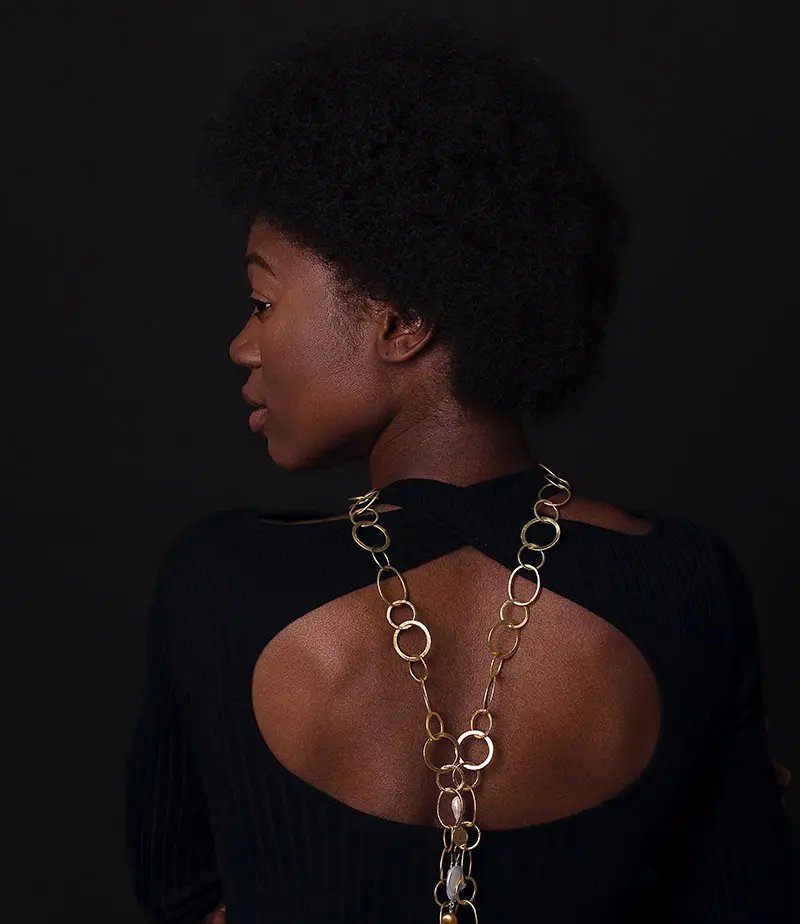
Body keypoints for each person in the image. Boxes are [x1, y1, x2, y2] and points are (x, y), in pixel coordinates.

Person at [124, 15, 792, 923]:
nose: (243, 343)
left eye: (263, 300)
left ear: (402, 324)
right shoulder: (687, 585)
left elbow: (183, 900)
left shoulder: (220, 581)